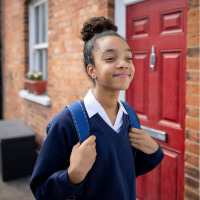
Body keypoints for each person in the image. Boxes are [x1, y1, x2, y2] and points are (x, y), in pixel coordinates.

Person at [30, 16, 164, 200]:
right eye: (110, 58)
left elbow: (123, 173)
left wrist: (154, 152)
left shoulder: (129, 116)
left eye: (128, 58)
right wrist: (72, 175)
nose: (123, 63)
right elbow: (40, 190)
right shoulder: (67, 122)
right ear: (92, 70)